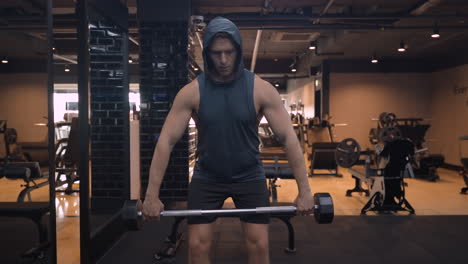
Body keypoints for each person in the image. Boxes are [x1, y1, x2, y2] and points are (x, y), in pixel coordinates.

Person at [142, 17, 314, 264]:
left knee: (259, 245)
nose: (223, 60)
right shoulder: (192, 92)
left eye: (228, 52)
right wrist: (151, 195)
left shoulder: (261, 89)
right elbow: (166, 141)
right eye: (216, 53)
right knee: (197, 247)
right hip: (207, 176)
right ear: (207, 53)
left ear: (238, 51)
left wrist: (305, 192)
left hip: (249, 174)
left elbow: (289, 139)